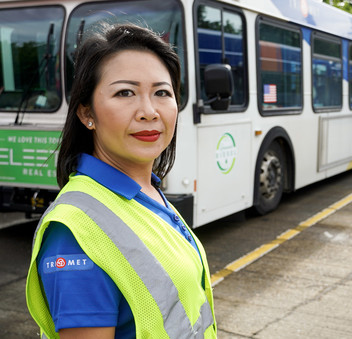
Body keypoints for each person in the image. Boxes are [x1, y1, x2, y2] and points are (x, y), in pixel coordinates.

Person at [26, 23, 216, 339]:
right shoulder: (75, 231)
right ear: (87, 113)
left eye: (162, 92)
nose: (149, 111)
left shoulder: (148, 190)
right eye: (125, 92)